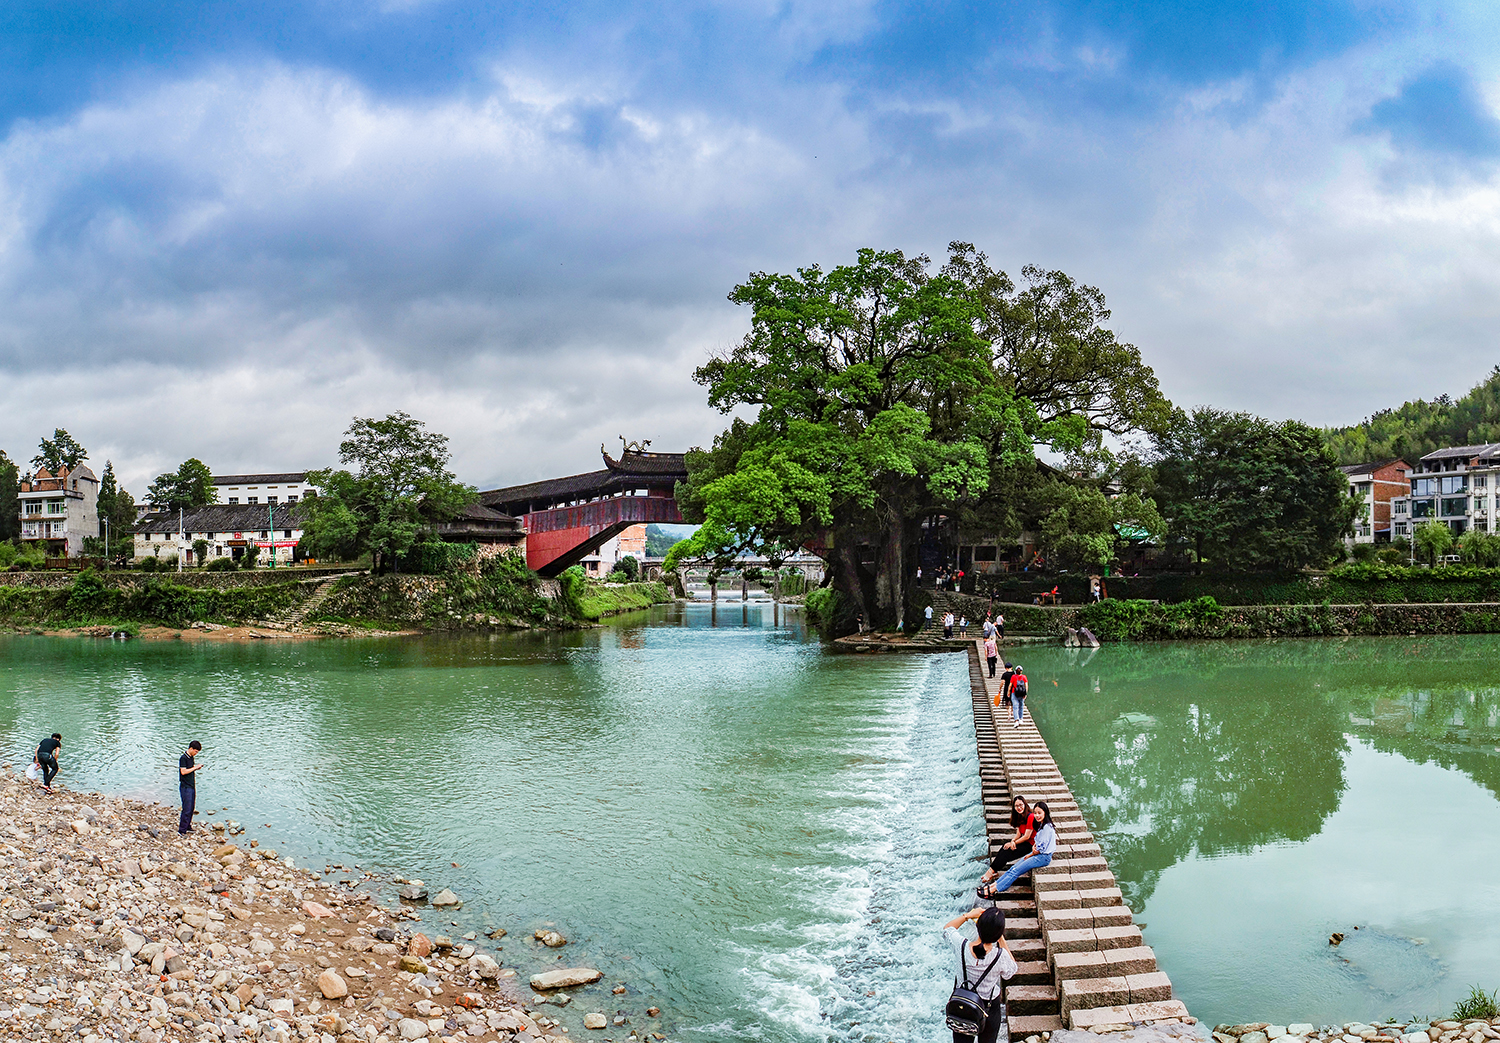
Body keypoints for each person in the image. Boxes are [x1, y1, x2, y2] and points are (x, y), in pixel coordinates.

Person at [943, 906, 1017, 1043]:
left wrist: (968, 915)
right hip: (989, 1008)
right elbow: (1011, 971)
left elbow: (948, 929)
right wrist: (1000, 938)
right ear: (998, 933)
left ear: (978, 927)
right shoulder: (1000, 956)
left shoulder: (961, 946)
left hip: (962, 1005)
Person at [979, 801, 1055, 899]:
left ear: (1045, 813)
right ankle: (992, 886)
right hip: (1038, 854)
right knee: (1013, 868)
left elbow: (1040, 849)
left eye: (1039, 813)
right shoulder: (1041, 825)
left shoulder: (1047, 828)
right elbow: (1037, 841)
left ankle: (994, 889)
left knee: (1016, 871)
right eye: (1035, 813)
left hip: (1043, 857)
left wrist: (1030, 854)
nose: (1037, 815)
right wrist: (1033, 847)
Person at [979, 796, 1035, 885]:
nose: (1019, 808)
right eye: (1016, 806)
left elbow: (1027, 836)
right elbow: (1018, 834)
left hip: (1032, 845)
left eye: (1021, 805)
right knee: (1005, 847)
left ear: (1025, 805)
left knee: (1007, 853)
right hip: (1025, 842)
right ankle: (993, 870)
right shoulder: (1020, 817)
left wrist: (1013, 843)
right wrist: (1012, 841)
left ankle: (991, 871)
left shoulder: (1031, 816)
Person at [179, 741, 204, 835]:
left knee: (191, 807)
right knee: (186, 808)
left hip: (191, 785)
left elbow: (190, 768)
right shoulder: (183, 758)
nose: (196, 753)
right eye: (195, 751)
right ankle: (181, 831)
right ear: (191, 749)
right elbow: (183, 772)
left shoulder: (191, 758)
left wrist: (196, 767)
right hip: (185, 786)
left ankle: (188, 826)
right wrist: (195, 768)